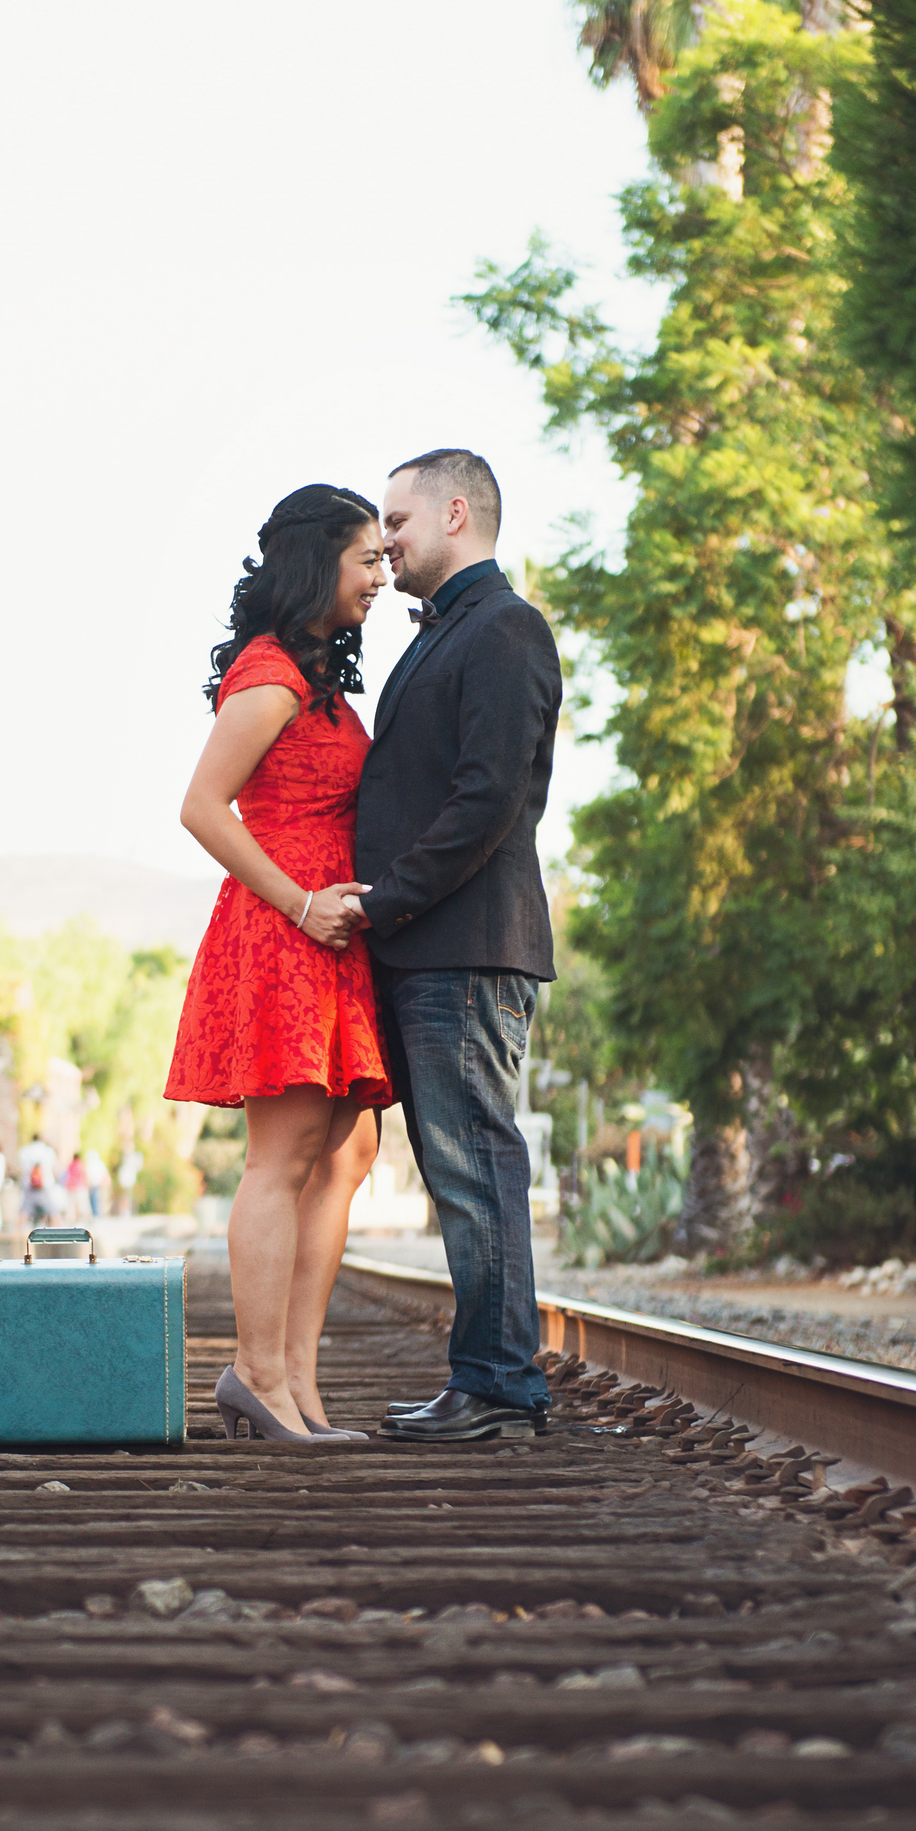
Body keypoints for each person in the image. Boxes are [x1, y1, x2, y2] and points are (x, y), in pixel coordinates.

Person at [165, 484, 391, 1445]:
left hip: (331, 931)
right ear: (318, 562)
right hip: (286, 927)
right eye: (368, 559)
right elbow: (202, 806)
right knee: (283, 1156)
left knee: (343, 1154)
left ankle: (297, 1380)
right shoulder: (268, 677)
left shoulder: (313, 676)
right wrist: (301, 903)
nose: (382, 576)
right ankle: (257, 1373)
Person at [352, 450, 563, 1441]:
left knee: (478, 1165)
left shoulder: (505, 629)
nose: (385, 539)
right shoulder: (450, 634)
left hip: (465, 948)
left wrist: (385, 900)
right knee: (460, 1174)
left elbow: (490, 798)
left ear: (456, 512)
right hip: (428, 948)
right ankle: (482, 1380)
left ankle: (503, 1390)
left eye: (396, 520)